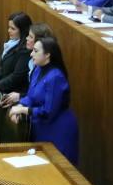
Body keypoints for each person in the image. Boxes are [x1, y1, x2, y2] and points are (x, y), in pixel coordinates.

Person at [9, 37, 80, 165]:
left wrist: (23, 110)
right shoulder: (38, 69)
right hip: (41, 127)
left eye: (36, 51)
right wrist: (20, 105)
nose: (31, 54)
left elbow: (48, 111)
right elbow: (31, 96)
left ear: (47, 55)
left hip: (58, 130)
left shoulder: (55, 77)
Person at [0, 12, 32, 99]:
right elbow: (2, 67)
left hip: (15, 95)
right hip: (4, 91)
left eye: (13, 29)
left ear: (23, 30)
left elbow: (16, 76)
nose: (9, 31)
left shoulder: (25, 50)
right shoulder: (10, 43)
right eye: (9, 27)